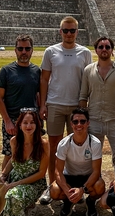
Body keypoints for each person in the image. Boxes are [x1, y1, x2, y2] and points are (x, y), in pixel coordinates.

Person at [39, 16, 92, 203]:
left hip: (77, 107)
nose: (69, 34)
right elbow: (44, 79)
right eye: (65, 30)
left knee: (75, 148)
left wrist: (85, 105)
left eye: (72, 31)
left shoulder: (85, 53)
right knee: (54, 148)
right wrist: (43, 104)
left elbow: (88, 80)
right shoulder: (50, 51)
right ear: (60, 31)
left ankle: (74, 187)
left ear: (77, 32)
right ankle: (52, 185)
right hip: (55, 103)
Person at [0, 108, 49, 216]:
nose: (28, 126)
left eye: (32, 122)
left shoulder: (43, 144)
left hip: (33, 184)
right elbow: (13, 159)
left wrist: (15, 185)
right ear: (19, 125)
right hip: (14, 180)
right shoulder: (14, 141)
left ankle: (29, 207)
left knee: (13, 196)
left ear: (37, 124)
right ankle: (18, 208)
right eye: (25, 122)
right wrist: (4, 174)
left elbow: (41, 173)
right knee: (1, 203)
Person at [0, 34, 41, 171]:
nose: (24, 52)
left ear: (32, 50)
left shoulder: (36, 71)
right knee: (10, 154)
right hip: (13, 120)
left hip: (32, 121)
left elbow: (38, 95)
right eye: (20, 49)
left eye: (27, 49)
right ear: (15, 50)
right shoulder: (6, 71)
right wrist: (7, 121)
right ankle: (4, 183)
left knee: (34, 153)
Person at [50, 107, 105, 216]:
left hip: (89, 177)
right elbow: (58, 171)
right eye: (75, 122)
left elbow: (96, 172)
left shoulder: (95, 143)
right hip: (69, 176)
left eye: (82, 121)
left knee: (100, 186)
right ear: (71, 124)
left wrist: (82, 190)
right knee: (54, 191)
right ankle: (68, 202)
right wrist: (67, 191)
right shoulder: (63, 144)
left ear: (88, 123)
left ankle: (90, 202)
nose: (79, 124)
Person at [79, 36, 115, 154]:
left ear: (112, 50)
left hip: (114, 121)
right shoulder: (88, 70)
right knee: (92, 158)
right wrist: (84, 119)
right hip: (93, 120)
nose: (104, 49)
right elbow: (83, 97)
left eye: (107, 47)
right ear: (96, 50)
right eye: (100, 47)